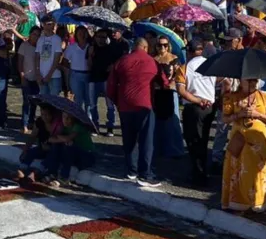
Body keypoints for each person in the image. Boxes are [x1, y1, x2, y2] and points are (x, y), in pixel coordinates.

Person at [107, 37, 168, 186]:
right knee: (146, 140)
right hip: (145, 105)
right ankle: (145, 173)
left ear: (134, 47)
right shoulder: (152, 62)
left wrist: (117, 101)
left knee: (129, 139)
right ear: (146, 48)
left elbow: (110, 86)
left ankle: (131, 170)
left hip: (125, 105)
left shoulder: (122, 61)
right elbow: (165, 83)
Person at [221, 78, 266, 213]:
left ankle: (258, 204)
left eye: (255, 80)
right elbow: (224, 118)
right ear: (241, 81)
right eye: (249, 80)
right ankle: (238, 203)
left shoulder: (265, 96)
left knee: (257, 173)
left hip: (258, 140)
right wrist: (238, 115)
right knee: (237, 170)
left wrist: (258, 114)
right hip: (239, 139)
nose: (253, 82)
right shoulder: (231, 97)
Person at [176, 40, 216, 187]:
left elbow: (181, 91)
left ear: (189, 52)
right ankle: (202, 172)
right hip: (210, 107)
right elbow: (221, 81)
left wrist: (198, 100)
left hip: (194, 108)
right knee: (204, 140)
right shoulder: (211, 64)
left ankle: (198, 176)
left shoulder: (184, 68)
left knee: (194, 142)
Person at [44, 111, 96, 187]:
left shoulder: (78, 126)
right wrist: (61, 138)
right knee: (56, 146)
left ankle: (64, 178)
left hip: (86, 156)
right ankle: (52, 172)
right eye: (64, 117)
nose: (66, 120)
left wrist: (61, 138)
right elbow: (50, 139)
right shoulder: (64, 127)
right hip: (75, 156)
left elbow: (68, 138)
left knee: (69, 147)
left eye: (69, 118)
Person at [88, 28, 121, 136]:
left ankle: (110, 127)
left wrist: (113, 66)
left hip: (107, 79)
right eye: (99, 37)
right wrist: (90, 56)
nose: (101, 40)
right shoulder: (92, 48)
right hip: (93, 78)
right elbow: (89, 66)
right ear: (95, 37)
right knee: (92, 105)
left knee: (110, 105)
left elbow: (119, 60)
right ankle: (95, 126)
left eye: (104, 37)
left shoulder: (111, 48)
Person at [18, 26, 42, 134]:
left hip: (37, 79)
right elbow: (20, 62)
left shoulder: (40, 47)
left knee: (35, 102)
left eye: (38, 35)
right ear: (30, 34)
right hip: (26, 77)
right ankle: (24, 124)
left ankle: (32, 121)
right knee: (26, 102)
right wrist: (22, 75)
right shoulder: (24, 46)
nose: (35, 37)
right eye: (34, 34)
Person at [36, 19, 65, 96]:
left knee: (54, 102)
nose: (50, 26)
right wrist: (38, 73)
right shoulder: (40, 39)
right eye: (48, 24)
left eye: (52, 24)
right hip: (42, 75)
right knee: (43, 101)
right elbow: (37, 57)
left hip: (54, 76)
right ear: (43, 25)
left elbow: (57, 58)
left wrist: (49, 75)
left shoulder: (57, 39)